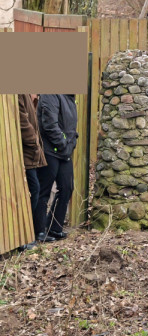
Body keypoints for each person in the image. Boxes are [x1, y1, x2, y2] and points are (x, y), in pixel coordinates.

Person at [36, 94, 78, 241]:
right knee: (44, 190)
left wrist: (71, 142)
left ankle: (54, 227)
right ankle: (39, 230)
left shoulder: (69, 97)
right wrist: (63, 144)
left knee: (67, 187)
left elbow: (69, 127)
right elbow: (50, 125)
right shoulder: (50, 94)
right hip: (50, 150)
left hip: (64, 151)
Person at [17, 94, 46, 249]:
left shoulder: (31, 97)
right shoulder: (20, 94)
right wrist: (34, 142)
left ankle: (27, 235)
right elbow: (23, 121)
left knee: (34, 190)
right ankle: (23, 236)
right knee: (33, 190)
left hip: (31, 152)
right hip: (26, 152)